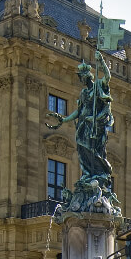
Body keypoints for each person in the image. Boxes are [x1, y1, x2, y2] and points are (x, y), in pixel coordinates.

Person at [46, 50, 113, 179]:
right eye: (79, 76)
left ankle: (99, 175)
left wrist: (102, 62)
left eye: (81, 76)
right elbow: (79, 111)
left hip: (95, 124)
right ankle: (88, 174)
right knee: (82, 149)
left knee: (94, 150)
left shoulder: (98, 86)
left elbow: (107, 77)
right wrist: (65, 120)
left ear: (87, 76)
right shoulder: (83, 93)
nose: (80, 79)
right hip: (83, 125)